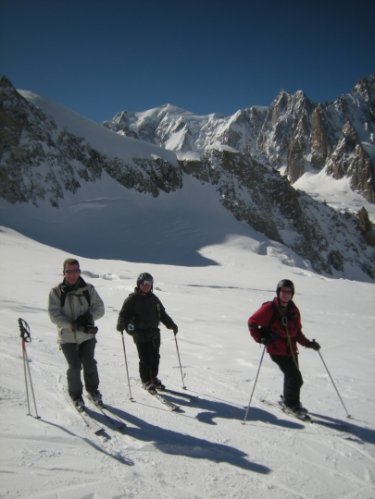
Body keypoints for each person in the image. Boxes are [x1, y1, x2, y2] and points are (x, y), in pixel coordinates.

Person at [248, 279, 320, 417]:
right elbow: (252, 322)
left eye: (289, 292)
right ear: (278, 292)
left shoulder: (293, 310)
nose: (286, 294)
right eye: (283, 291)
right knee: (296, 378)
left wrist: (308, 343)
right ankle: (291, 404)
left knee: (291, 376)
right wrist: (261, 338)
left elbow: (297, 332)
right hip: (276, 349)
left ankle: (290, 400)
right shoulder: (269, 308)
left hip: (291, 350)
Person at [48, 258, 105, 410]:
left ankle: (93, 391)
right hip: (67, 337)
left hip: (87, 336)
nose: (72, 275)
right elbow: (54, 315)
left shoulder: (88, 289)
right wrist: (71, 324)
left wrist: (88, 317)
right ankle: (76, 395)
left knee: (90, 363)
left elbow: (100, 308)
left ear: (79, 271)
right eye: (69, 271)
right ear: (64, 273)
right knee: (74, 367)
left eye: (75, 271)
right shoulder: (56, 292)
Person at [116, 272, 178, 391]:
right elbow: (123, 314)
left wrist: (171, 325)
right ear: (139, 284)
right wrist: (121, 324)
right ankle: (146, 380)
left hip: (154, 332)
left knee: (155, 357)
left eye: (149, 284)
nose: (147, 286)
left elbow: (162, 314)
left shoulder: (154, 299)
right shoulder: (132, 299)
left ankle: (153, 377)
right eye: (144, 283)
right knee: (145, 358)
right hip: (139, 332)